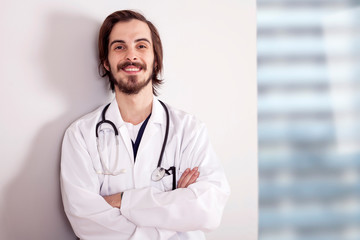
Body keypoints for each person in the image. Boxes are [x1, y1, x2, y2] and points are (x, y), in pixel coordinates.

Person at [60, 10, 230, 240]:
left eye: (141, 46)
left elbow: (208, 210)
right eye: (119, 47)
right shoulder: (81, 135)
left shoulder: (189, 130)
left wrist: (121, 201)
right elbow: (86, 221)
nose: (131, 55)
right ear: (106, 63)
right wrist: (175, 206)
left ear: (155, 60)